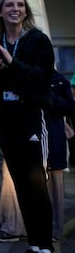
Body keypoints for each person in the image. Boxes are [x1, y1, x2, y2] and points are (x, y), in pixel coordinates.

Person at [0, 0, 55, 253]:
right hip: (7, 120)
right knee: (21, 187)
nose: (15, 8)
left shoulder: (37, 41)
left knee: (37, 186)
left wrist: (13, 63)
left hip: (31, 118)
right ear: (0, 11)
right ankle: (33, 246)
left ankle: (47, 251)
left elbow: (42, 79)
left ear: (25, 11)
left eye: (20, 5)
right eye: (10, 4)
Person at [44, 70, 74, 241]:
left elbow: (70, 106)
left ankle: (57, 229)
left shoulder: (59, 80)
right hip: (35, 140)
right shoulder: (28, 75)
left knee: (56, 187)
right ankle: (42, 228)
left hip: (54, 139)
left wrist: (50, 98)